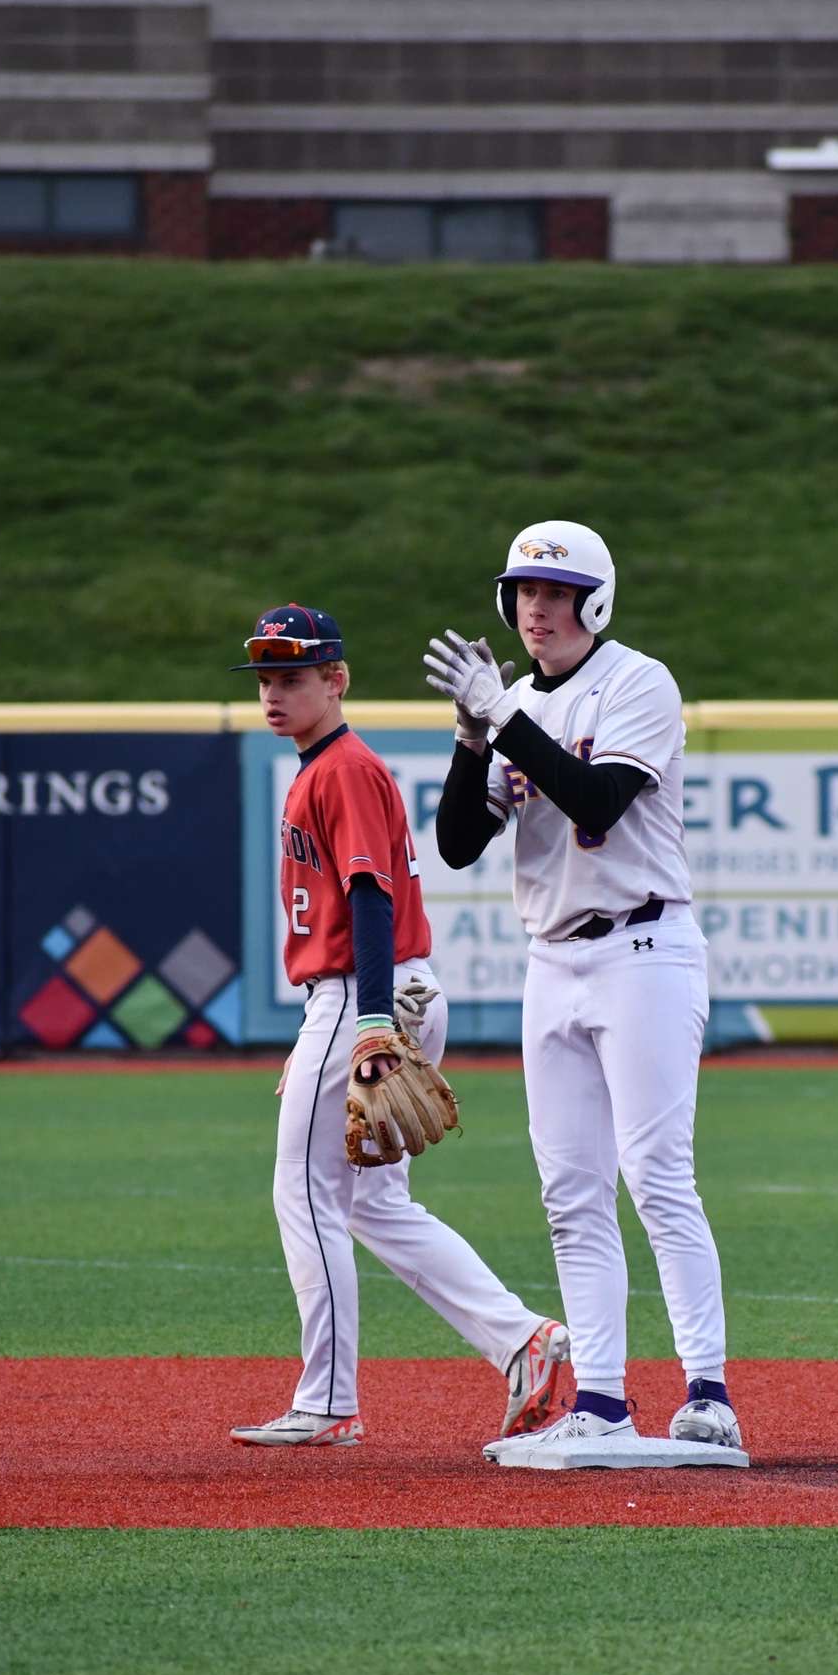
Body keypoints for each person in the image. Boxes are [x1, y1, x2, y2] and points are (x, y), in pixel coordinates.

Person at [426, 524, 741, 1467]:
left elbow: (596, 799)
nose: (536, 608)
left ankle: (710, 1395)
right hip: (552, 960)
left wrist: (507, 719)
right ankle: (602, 1399)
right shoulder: (513, 698)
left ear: (594, 602)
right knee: (569, 1193)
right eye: (522, 590)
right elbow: (453, 842)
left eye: (555, 592)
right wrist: (472, 733)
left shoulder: (640, 681)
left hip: (643, 946)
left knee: (656, 1176)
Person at [227, 602, 568, 1448]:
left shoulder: (340, 770)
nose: (275, 693)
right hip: (376, 995)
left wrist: (366, 1025)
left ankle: (328, 1399)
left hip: (366, 994)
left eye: (293, 677)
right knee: (375, 1205)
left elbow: (370, 900)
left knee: (305, 1193)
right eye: (266, 679)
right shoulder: (328, 767)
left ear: (336, 680)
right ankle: (525, 1340)